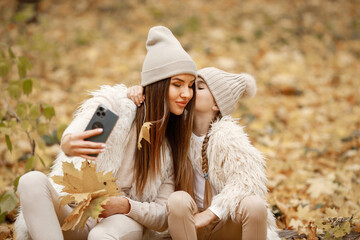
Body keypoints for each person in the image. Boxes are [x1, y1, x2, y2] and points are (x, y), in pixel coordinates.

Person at [14, 26, 197, 240]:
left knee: (101, 236)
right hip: (78, 215)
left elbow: (161, 215)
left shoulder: (172, 142)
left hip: (121, 222)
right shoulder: (118, 111)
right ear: (157, 84)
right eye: (177, 84)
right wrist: (68, 141)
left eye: (191, 85)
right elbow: (90, 121)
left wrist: (127, 205)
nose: (187, 94)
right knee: (31, 181)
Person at [128, 67, 280, 240]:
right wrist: (141, 90)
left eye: (198, 88)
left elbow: (248, 180)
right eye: (190, 86)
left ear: (216, 104)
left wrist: (211, 213)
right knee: (177, 199)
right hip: (189, 224)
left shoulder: (227, 135)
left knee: (254, 205)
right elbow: (156, 109)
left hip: (224, 223)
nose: (189, 92)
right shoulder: (177, 128)